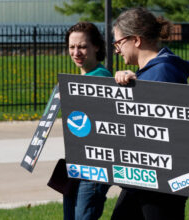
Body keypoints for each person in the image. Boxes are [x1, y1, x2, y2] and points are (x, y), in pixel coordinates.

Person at [111, 8, 189, 220]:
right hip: (143, 181)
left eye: (118, 43)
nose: (117, 50)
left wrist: (138, 86)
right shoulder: (148, 73)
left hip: (160, 185)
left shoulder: (163, 71)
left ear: (136, 40)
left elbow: (161, 125)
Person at [63, 21, 112, 220]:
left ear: (96, 47)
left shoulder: (100, 78)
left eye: (82, 46)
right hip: (77, 162)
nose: (76, 52)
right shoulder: (80, 81)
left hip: (95, 166)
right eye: (72, 47)